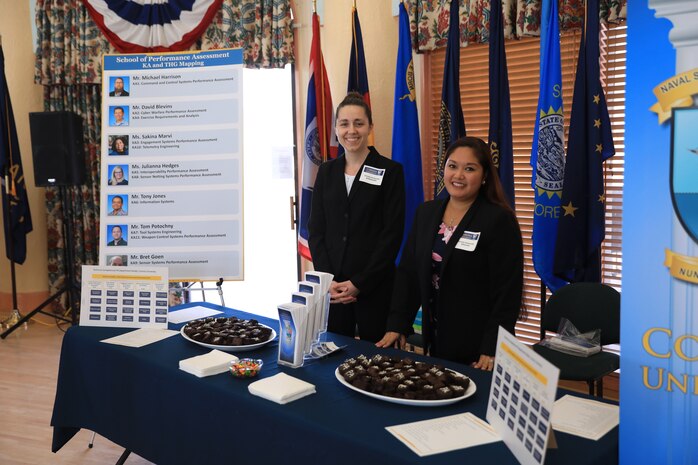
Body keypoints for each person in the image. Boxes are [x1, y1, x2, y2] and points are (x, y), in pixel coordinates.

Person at [376, 136, 524, 370]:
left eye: (470, 169)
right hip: (436, 336)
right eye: (452, 166)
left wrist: (492, 346)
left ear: (484, 176)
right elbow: (409, 274)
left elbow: (508, 292)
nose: (458, 175)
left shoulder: (499, 220)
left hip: (479, 347)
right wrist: (398, 324)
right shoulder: (426, 213)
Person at [308, 92, 405, 342]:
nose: (352, 130)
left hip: (375, 288)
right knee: (331, 357)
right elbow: (316, 230)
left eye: (359, 123)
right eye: (344, 123)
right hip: (333, 290)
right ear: (336, 128)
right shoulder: (326, 172)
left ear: (370, 127)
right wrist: (328, 279)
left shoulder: (391, 171)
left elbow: (392, 236)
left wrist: (360, 282)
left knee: (376, 370)